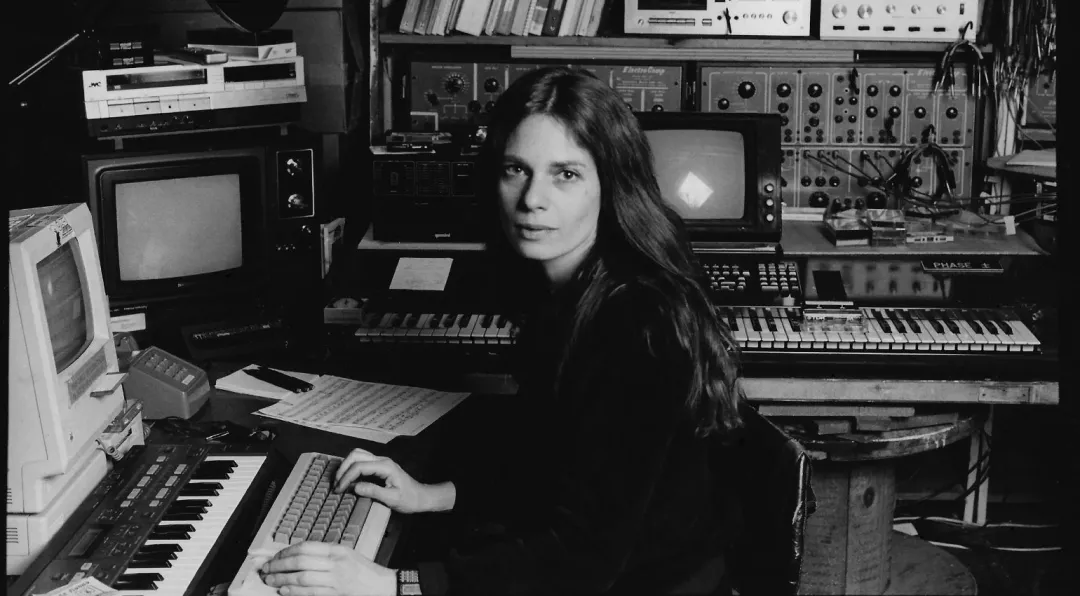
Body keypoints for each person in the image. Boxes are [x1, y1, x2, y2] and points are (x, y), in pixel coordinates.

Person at [258, 66, 745, 596]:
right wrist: (433, 494)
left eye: (565, 174)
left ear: (612, 185)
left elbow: (583, 558)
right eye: (517, 169)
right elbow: (555, 465)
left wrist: (395, 584)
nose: (532, 198)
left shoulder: (638, 323)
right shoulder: (569, 291)